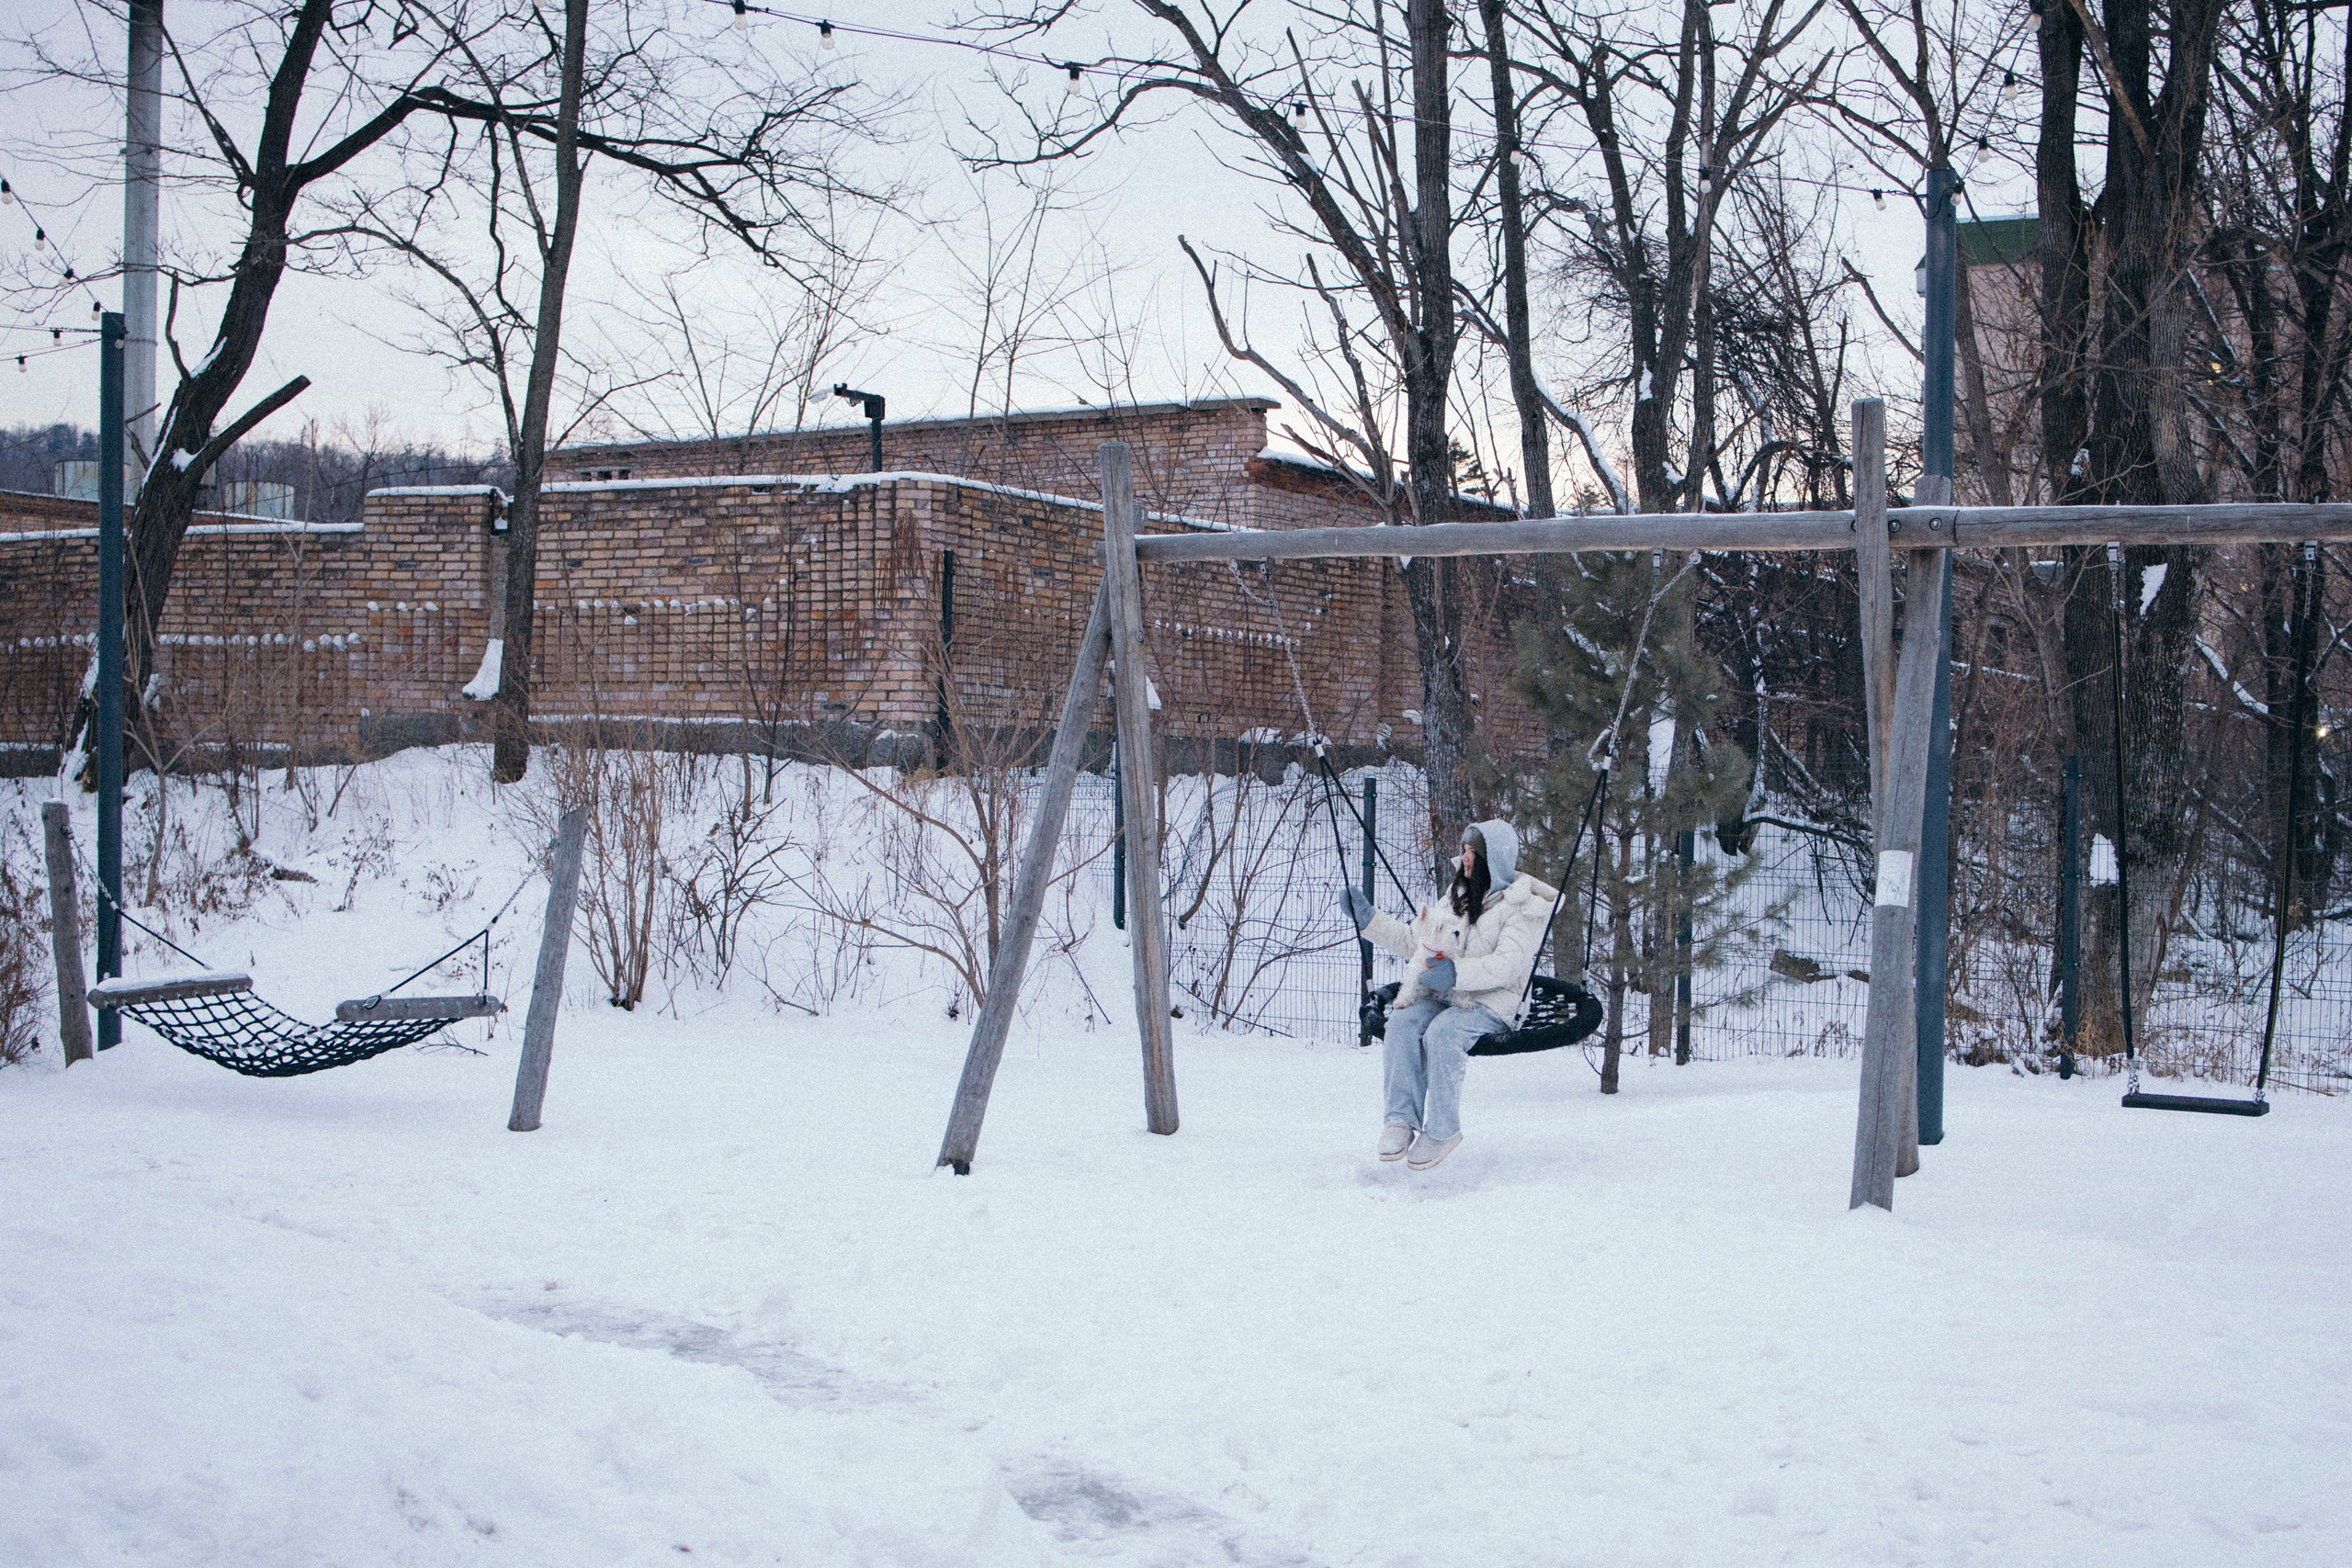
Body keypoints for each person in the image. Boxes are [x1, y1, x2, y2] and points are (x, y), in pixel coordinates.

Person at [1340, 818, 1556, 1169]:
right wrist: (1370, 921)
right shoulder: (1459, 892)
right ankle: (1399, 1120)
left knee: (1442, 1034)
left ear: (1494, 861)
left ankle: (1442, 1129)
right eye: (1465, 851)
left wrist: (1455, 973)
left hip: (1493, 1000)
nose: (1465, 859)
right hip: (1442, 992)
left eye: (1474, 853)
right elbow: (1417, 940)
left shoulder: (1522, 907)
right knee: (1401, 1023)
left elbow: (1507, 966)